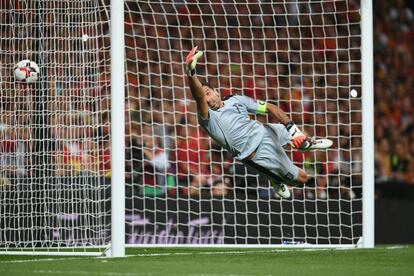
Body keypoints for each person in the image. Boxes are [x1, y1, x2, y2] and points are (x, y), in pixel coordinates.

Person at [184, 46, 332, 199]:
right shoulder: (208, 119)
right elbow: (199, 97)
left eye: (208, 92)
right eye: (204, 96)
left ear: (217, 91)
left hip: (266, 131)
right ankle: (275, 179)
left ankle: (305, 143)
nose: (207, 99)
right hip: (258, 154)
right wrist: (191, 72)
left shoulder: (236, 100)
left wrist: (292, 129)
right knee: (300, 179)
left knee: (300, 137)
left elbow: (269, 107)